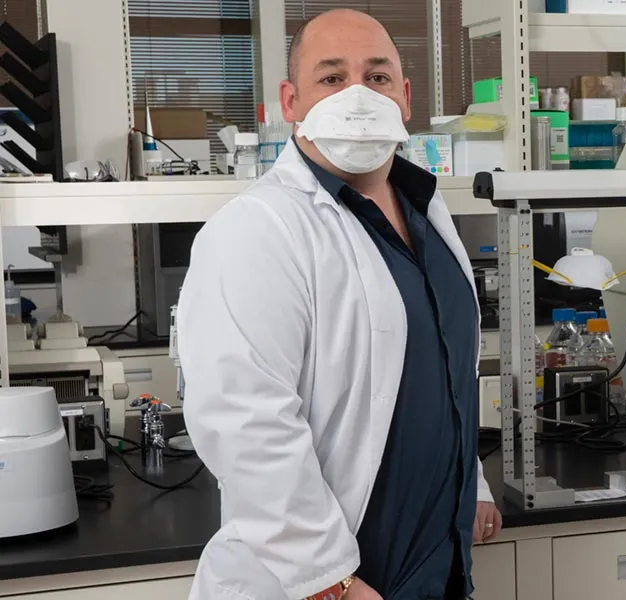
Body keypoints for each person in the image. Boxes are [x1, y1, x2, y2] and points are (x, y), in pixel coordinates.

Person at [178, 9, 501, 600]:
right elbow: (246, 423)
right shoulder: (257, 228)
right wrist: (329, 580)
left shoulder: (427, 209)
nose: (358, 95)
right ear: (291, 100)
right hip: (330, 579)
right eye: (332, 77)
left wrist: (471, 484)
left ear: (405, 97)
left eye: (377, 77)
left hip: (437, 565)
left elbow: (446, 372)